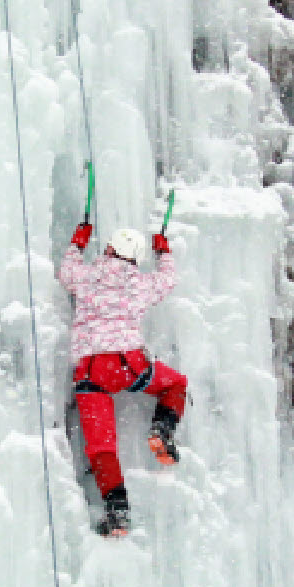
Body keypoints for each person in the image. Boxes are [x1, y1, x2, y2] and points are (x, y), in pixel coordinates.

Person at [57, 221, 187, 537]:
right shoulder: (140, 284)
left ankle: (118, 513)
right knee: (175, 384)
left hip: (91, 373)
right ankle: (162, 432)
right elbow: (168, 280)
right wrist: (163, 250)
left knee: (101, 447)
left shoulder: (87, 277)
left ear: (109, 249)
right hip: (128, 363)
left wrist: (77, 242)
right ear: (135, 258)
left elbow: (67, 271)